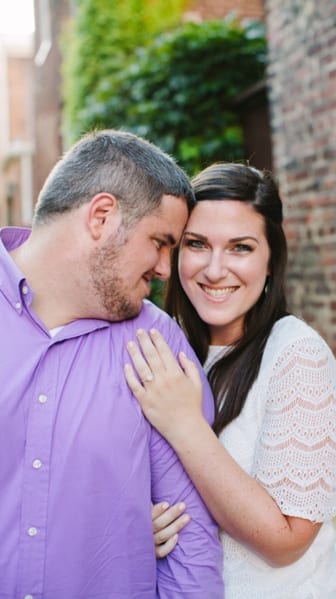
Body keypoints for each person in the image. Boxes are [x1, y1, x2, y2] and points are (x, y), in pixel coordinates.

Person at [0, 129, 223, 597]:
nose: (166, 269)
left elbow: (191, 541)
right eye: (161, 242)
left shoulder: (157, 343)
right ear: (102, 216)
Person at [123, 162, 336, 597]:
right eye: (197, 244)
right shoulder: (160, 344)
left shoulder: (296, 355)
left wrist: (185, 424)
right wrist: (135, 525)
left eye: (240, 248)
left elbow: (286, 541)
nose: (214, 269)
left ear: (270, 262)